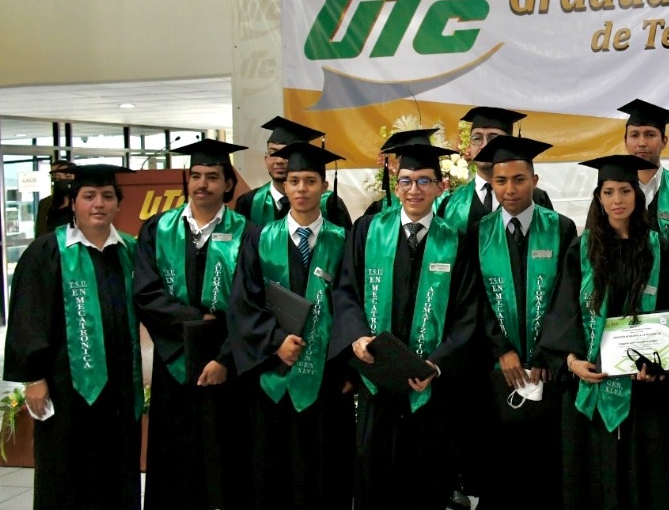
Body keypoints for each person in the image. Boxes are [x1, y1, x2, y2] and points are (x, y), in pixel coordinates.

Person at [329, 142, 481, 510]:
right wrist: (356, 336)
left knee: (426, 479)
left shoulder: (455, 241)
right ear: (396, 186)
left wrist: (436, 364)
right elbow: (345, 290)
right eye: (407, 181)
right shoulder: (368, 230)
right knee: (374, 476)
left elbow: (467, 314)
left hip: (428, 387)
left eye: (424, 181)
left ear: (440, 186)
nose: (415, 190)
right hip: (376, 380)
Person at [539, 154, 669, 510]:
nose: (617, 199)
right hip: (590, 384)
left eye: (625, 191)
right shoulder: (581, 248)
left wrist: (658, 364)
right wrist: (571, 361)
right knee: (590, 476)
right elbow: (564, 310)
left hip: (643, 389)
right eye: (609, 192)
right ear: (599, 199)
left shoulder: (658, 248)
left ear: (637, 195)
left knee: (642, 474)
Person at [4, 164, 144, 510]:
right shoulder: (47, 251)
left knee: (116, 466)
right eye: (89, 196)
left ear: (118, 203)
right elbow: (29, 315)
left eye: (107, 196)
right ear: (74, 202)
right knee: (66, 469)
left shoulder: (130, 250)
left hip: (120, 385)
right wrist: (34, 378)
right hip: (65, 386)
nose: (99, 204)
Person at [227, 142, 355, 509]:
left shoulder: (343, 240)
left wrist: (348, 367)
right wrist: (274, 342)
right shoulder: (259, 238)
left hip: (327, 377)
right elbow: (243, 302)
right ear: (285, 185)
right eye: (295, 181)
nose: (301, 189)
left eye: (310, 181)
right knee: (274, 471)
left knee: (326, 469)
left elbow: (353, 305)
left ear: (324, 187)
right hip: (273, 374)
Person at [133, 138, 257, 510]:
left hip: (227, 361)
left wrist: (225, 356)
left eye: (212, 177)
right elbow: (146, 293)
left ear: (228, 183)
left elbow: (251, 301)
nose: (202, 184)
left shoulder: (247, 232)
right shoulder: (158, 228)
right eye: (197, 175)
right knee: (175, 455)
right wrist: (195, 322)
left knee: (227, 449)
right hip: (175, 356)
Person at [470, 135, 578, 509]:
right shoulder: (479, 231)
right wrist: (502, 350)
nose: (510, 189)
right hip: (498, 369)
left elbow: (567, 296)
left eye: (519, 179)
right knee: (501, 465)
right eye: (501, 181)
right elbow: (475, 299)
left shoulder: (561, 228)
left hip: (549, 368)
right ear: (491, 182)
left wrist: (548, 351)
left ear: (534, 180)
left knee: (547, 466)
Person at [436, 106, 553, 238]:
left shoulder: (535, 197)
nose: (484, 146)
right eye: (477, 138)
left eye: (493, 138)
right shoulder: (452, 202)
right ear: (469, 145)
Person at [234, 116, 351, 229]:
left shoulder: (329, 203)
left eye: (286, 153)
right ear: (265, 159)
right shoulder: (249, 202)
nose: (279, 161)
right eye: (273, 153)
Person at [617, 99, 669, 234]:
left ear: (664, 141)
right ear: (625, 141)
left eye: (650, 135)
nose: (642, 143)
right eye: (634, 135)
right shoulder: (612, 192)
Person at [363, 128, 436, 217]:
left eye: (424, 181)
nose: (414, 190)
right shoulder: (381, 209)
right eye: (404, 163)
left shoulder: (445, 205)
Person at [33, 159, 76, 238]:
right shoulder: (45, 203)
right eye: (56, 176)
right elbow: (40, 231)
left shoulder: (83, 202)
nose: (60, 180)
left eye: (67, 176)